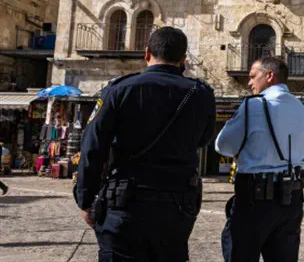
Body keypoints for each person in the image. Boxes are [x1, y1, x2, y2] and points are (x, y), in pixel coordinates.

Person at [74, 27, 216, 261]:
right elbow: (204, 140)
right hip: (178, 205)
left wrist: (85, 199)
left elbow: (93, 147)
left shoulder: (119, 90)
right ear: (183, 59)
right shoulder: (201, 94)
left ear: (147, 53)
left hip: (126, 203)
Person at [216, 57, 304, 262]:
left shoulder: (253, 106)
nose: (250, 82)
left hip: (256, 197)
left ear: (270, 76)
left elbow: (223, 145)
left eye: (253, 76)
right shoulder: (302, 109)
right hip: (291, 197)